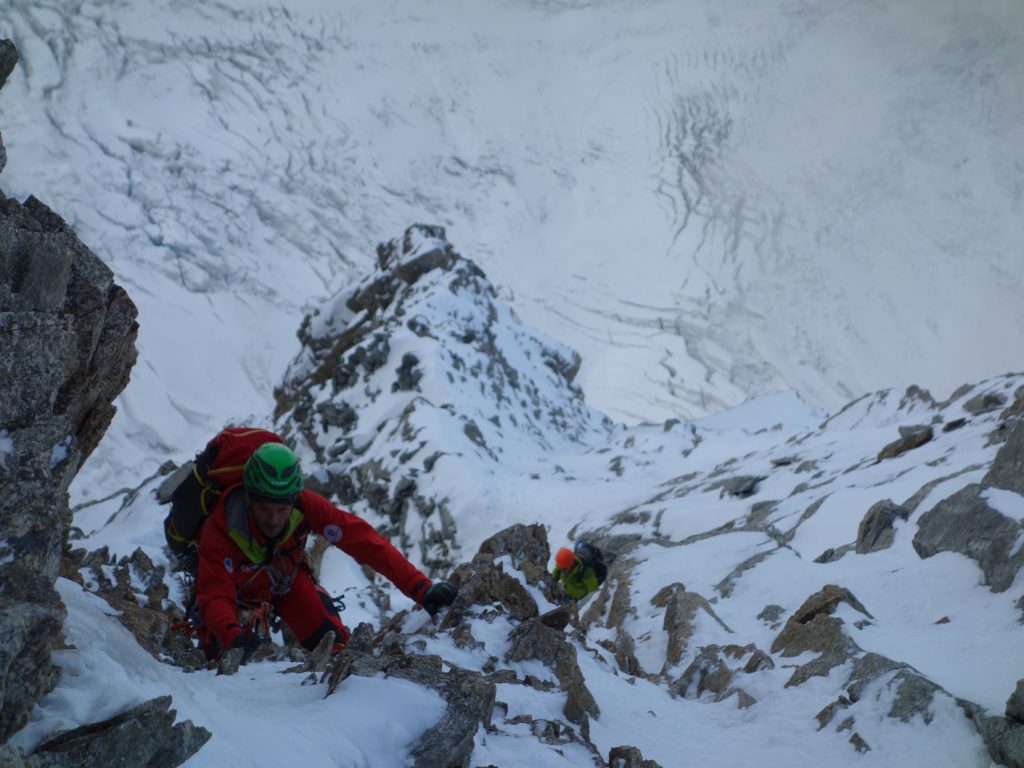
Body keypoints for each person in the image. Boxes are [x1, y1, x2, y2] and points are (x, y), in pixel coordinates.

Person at [195, 442, 457, 660]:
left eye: (281, 509)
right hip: (242, 593)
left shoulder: (306, 506)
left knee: (338, 652)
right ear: (248, 498)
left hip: (285, 586)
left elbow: (365, 542)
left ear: (293, 501)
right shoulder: (220, 528)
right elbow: (215, 594)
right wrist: (232, 634)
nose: (274, 520)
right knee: (220, 663)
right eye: (264, 509)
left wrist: (421, 588)